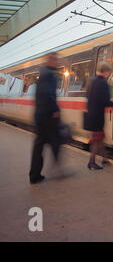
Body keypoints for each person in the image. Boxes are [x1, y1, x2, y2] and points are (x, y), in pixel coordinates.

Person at [29, 52, 61, 184]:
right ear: (50, 60)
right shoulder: (48, 74)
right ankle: (37, 174)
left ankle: (35, 174)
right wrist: (55, 109)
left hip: (40, 115)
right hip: (46, 116)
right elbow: (48, 94)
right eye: (56, 60)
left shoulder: (43, 73)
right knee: (51, 141)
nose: (58, 63)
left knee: (40, 145)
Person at [86, 62, 113, 170]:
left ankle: (105, 159)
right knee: (96, 140)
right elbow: (105, 101)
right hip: (98, 116)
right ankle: (91, 162)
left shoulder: (91, 81)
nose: (109, 74)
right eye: (109, 72)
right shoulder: (104, 83)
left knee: (99, 138)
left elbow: (88, 97)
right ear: (106, 71)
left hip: (91, 114)